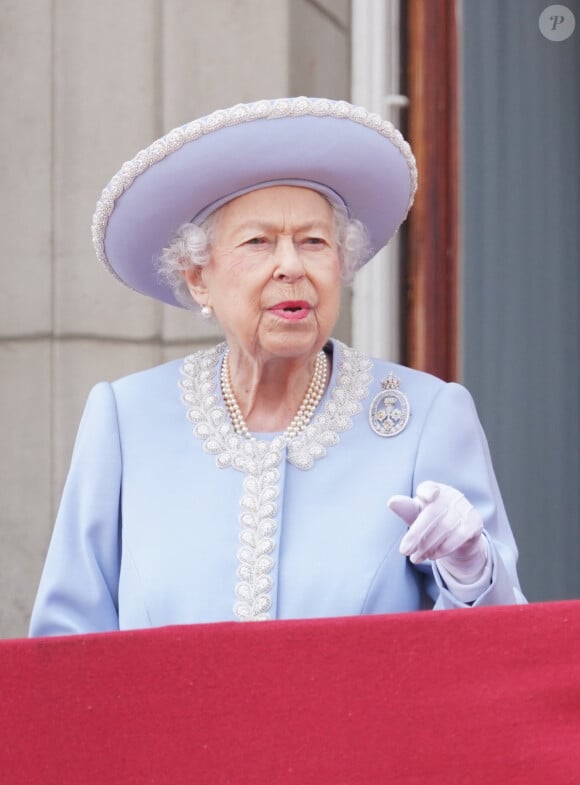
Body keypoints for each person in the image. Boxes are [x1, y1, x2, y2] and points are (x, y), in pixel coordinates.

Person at [29, 96, 525, 636]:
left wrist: (472, 571)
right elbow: (64, 648)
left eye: (314, 242)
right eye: (258, 242)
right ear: (198, 277)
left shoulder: (426, 416)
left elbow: (498, 657)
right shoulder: (125, 419)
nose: (291, 265)